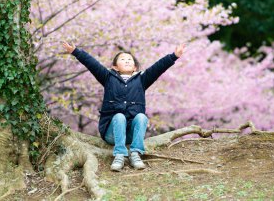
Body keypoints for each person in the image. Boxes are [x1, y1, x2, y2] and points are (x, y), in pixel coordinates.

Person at [62, 41, 185, 171]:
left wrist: (174, 56)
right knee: (119, 116)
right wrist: (76, 51)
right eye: (123, 59)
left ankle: (135, 153)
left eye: (129, 60)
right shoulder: (108, 77)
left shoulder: (142, 80)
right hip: (112, 132)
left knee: (142, 117)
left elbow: (158, 67)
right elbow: (92, 64)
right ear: (115, 67)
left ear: (135, 67)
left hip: (130, 135)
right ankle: (119, 155)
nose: (127, 61)